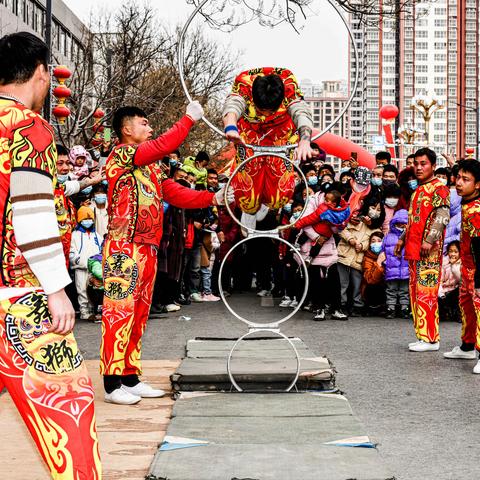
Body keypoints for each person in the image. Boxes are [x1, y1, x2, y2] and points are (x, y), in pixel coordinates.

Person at [0, 31, 101, 479]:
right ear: (42, 73)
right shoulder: (28, 126)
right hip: (18, 292)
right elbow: (32, 214)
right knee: (68, 408)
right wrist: (57, 290)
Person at [101, 103, 233, 405]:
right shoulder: (122, 155)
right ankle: (111, 384)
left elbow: (174, 193)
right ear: (127, 129)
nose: (150, 129)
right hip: (123, 246)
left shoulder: (150, 167)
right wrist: (187, 119)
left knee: (138, 316)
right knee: (118, 314)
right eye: (144, 124)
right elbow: (166, 144)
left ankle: (129, 378)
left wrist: (212, 196)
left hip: (147, 248)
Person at [223, 67, 313, 214]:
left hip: (280, 135)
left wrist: (305, 140)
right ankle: (250, 210)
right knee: (246, 190)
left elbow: (300, 111)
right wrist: (230, 127)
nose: (266, 115)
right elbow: (233, 104)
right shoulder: (245, 83)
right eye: (262, 110)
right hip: (251, 134)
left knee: (278, 196)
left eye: (270, 111)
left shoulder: (288, 84)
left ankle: (267, 205)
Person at [395, 148, 450, 352]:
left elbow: (442, 217)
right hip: (413, 250)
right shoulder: (417, 190)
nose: (418, 167)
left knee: (427, 293)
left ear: (433, 166)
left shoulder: (439, 188)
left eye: (423, 163)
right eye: (416, 164)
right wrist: (401, 239)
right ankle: (422, 335)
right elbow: (412, 220)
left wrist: (429, 240)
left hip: (429, 252)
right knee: (416, 293)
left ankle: (431, 339)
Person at [444, 160, 480, 370]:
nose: (459, 183)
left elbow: (479, 245)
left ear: (477, 185)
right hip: (467, 266)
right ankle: (467, 347)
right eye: (458, 178)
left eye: (465, 180)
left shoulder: (476, 210)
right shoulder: (467, 203)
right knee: (466, 307)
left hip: (476, 267)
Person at [337, 197, 384, 316]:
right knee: (342, 282)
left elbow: (374, 242)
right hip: (344, 255)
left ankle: (356, 306)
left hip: (358, 259)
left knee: (357, 283)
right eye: (373, 208)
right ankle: (341, 305)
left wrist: (362, 245)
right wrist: (351, 239)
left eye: (378, 210)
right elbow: (341, 228)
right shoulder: (355, 219)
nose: (375, 211)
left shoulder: (377, 229)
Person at [294, 189, 350, 261]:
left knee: (304, 235)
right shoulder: (344, 212)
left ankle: (298, 245)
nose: (324, 201)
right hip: (326, 234)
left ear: (334, 203)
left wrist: (298, 224)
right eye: (325, 199)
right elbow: (342, 226)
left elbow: (310, 218)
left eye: (327, 200)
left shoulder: (324, 208)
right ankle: (310, 258)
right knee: (318, 245)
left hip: (316, 228)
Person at [69, 206, 103, 321]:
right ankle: (84, 312)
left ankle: (95, 311)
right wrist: (80, 262)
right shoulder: (75, 235)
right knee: (82, 290)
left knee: (95, 289)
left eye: (90, 219)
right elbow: (72, 252)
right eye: (85, 219)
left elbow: (101, 250)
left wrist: (98, 265)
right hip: (81, 268)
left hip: (95, 269)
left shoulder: (97, 235)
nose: (88, 221)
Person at [383, 209, 409, 319]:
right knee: (391, 290)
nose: (402, 226)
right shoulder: (388, 236)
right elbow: (383, 250)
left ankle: (404, 308)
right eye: (399, 223)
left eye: (404, 224)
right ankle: (391, 307)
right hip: (391, 268)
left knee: (404, 290)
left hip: (405, 269)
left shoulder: (409, 238)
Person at [361, 231, 386, 316]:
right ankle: (373, 306)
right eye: (373, 241)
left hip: (386, 289)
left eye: (379, 241)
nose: (376, 243)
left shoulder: (388, 255)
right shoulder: (367, 257)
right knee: (373, 283)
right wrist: (378, 263)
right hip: (371, 290)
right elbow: (370, 280)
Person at [438, 240, 461, 323]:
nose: (453, 254)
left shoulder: (462, 264)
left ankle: (457, 313)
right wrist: (441, 295)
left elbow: (461, 280)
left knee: (462, 289)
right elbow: (439, 281)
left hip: (454, 292)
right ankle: (445, 312)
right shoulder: (443, 263)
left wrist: (454, 265)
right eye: (450, 251)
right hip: (443, 293)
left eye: (456, 252)